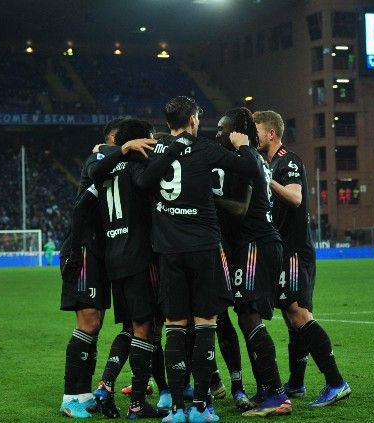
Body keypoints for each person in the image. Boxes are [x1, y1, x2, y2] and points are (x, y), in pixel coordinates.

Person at [139, 96, 260, 423]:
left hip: (169, 250)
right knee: (207, 323)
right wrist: (243, 144)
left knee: (175, 325)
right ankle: (204, 407)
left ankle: (178, 409)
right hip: (204, 247)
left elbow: (143, 183)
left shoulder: (159, 151)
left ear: (168, 123)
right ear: (193, 119)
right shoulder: (206, 149)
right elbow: (251, 167)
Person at [254, 110, 350, 409]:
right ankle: (296, 383)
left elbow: (295, 197)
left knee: (298, 313)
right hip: (283, 251)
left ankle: (336, 382)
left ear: (271, 133)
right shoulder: (273, 163)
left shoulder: (288, 160)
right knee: (289, 316)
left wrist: (267, 180)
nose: (254, 135)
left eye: (256, 130)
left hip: (295, 251)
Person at [88, 119, 170, 419]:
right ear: (139, 141)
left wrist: (116, 151)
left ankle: (106, 385)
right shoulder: (136, 165)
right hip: (138, 257)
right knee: (145, 329)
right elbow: (147, 183)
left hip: (114, 257)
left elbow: (93, 171)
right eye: (148, 139)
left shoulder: (105, 168)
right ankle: (137, 403)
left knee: (128, 329)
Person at [213, 107, 288, 416]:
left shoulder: (247, 159)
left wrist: (205, 198)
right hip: (256, 243)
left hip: (257, 243)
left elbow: (242, 209)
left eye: (222, 129)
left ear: (236, 132)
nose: (217, 134)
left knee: (249, 316)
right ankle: (267, 390)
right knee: (245, 313)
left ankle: (277, 395)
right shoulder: (246, 159)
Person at [58, 118, 123, 419]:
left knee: (95, 322)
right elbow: (81, 208)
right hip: (82, 249)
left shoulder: (110, 160)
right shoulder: (99, 157)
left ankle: (83, 393)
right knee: (87, 321)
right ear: (114, 138)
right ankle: (70, 397)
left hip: (98, 251)